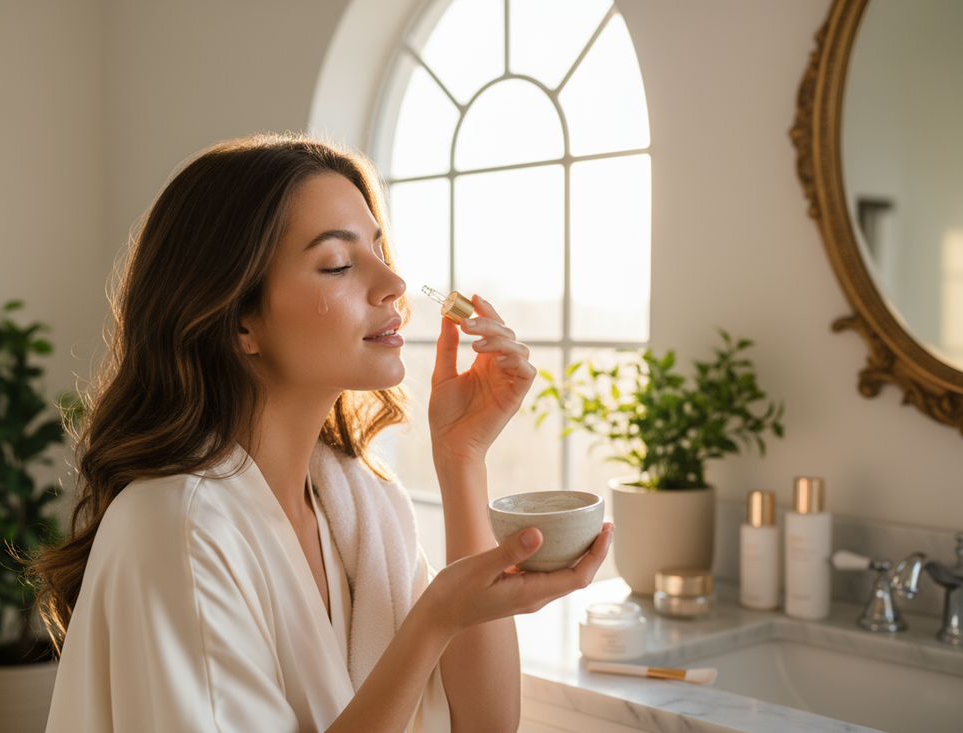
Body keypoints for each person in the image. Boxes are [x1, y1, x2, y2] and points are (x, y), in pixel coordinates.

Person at [31, 134, 613, 733]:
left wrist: (462, 456)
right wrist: (435, 619)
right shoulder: (176, 527)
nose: (392, 282)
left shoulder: (361, 509)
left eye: (380, 250)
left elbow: (486, 725)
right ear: (239, 321)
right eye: (337, 263)